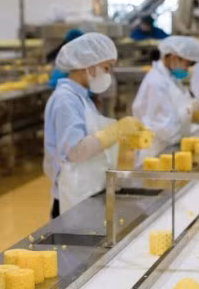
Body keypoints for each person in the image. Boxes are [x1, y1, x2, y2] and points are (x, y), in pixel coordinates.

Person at [43, 33, 142, 217]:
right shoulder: (65, 100)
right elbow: (75, 151)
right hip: (71, 199)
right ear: (88, 66)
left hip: (86, 191)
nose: (107, 75)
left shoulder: (81, 97)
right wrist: (115, 131)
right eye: (106, 68)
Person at [133, 36, 199, 164]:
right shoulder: (156, 82)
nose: (187, 69)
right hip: (156, 152)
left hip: (169, 147)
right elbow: (164, 127)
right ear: (174, 58)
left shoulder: (171, 78)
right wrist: (189, 112)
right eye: (187, 64)